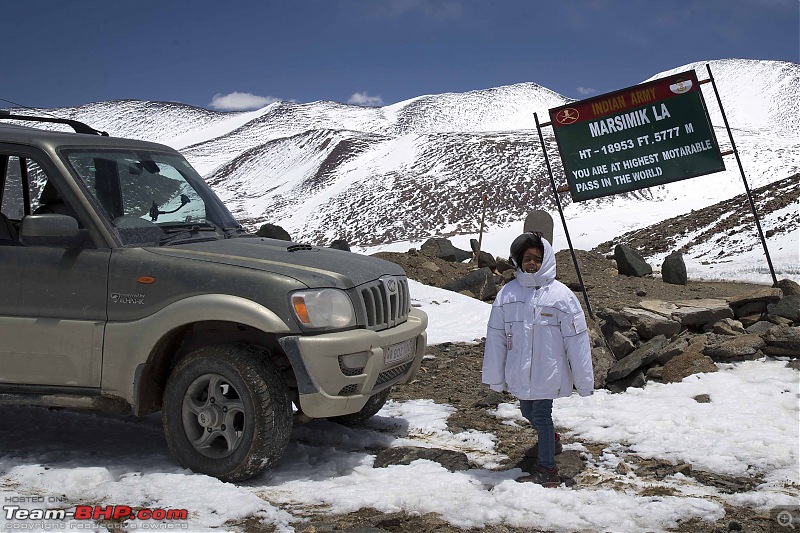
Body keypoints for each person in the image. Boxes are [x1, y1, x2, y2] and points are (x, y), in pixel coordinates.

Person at [482, 232, 594, 487]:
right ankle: (551, 441)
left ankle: (548, 470)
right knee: (526, 409)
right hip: (520, 370)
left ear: (546, 261)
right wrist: (494, 375)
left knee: (541, 416)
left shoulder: (561, 296)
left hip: (548, 371)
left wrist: (583, 381)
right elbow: (497, 336)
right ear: (518, 261)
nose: (531, 263)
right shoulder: (508, 294)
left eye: (536, 258)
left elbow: (576, 340)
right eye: (526, 258)